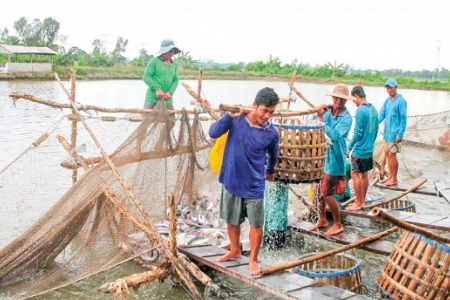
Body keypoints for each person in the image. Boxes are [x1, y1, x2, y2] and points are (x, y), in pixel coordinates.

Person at [208, 87, 280, 275]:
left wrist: (270, 171)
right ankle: (234, 249)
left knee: (256, 224)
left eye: (271, 112)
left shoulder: (272, 133)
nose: (267, 115)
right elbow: (213, 133)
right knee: (232, 220)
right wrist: (228, 116)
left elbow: (273, 155)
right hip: (231, 179)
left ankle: (253, 260)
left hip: (254, 184)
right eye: (264, 110)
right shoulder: (237, 120)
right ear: (254, 105)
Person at [308, 83, 353, 236]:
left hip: (335, 160)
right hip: (322, 158)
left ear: (346, 101)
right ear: (332, 97)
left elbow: (333, 136)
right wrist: (317, 112)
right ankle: (322, 219)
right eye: (336, 98)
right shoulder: (328, 112)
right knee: (318, 191)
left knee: (327, 193)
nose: (338, 102)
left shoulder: (347, 118)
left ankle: (338, 224)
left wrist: (321, 119)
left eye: (342, 99)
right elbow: (310, 120)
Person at [346, 86, 379, 211]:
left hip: (360, 149)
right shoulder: (374, 109)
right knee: (364, 174)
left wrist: (349, 148)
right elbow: (375, 130)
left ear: (356, 96)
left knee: (355, 173)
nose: (353, 102)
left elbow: (358, 132)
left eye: (353, 99)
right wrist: (370, 143)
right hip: (369, 149)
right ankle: (362, 201)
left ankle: (358, 203)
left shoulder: (360, 110)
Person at [378, 79, 407, 186]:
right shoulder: (387, 101)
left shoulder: (401, 101)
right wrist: (373, 123)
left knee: (392, 155)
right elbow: (381, 114)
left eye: (391, 87)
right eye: (387, 88)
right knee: (387, 154)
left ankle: (394, 178)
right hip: (387, 133)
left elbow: (403, 119)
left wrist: (400, 134)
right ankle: (390, 176)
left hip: (395, 134)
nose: (389, 90)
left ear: (396, 87)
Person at [143, 39, 181, 112]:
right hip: (152, 98)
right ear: (163, 51)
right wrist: (157, 89)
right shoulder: (154, 62)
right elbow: (146, 76)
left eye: (172, 51)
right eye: (169, 51)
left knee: (171, 121)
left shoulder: (174, 65)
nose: (171, 53)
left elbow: (175, 80)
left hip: (167, 99)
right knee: (148, 120)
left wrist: (170, 92)